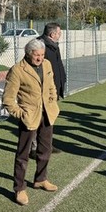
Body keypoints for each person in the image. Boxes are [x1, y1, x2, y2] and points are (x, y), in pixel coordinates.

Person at [2, 38, 60, 206]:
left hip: (48, 114)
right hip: (29, 117)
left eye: (42, 55)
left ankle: (41, 179)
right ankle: (19, 188)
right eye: (36, 55)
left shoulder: (47, 64)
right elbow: (8, 99)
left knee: (46, 149)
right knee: (23, 154)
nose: (40, 58)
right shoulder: (17, 70)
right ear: (28, 54)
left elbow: (51, 86)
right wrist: (21, 114)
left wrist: (53, 100)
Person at [30, 22, 66, 157]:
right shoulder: (39, 45)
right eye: (59, 33)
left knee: (48, 119)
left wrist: (62, 81)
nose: (60, 35)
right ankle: (34, 148)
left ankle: (46, 145)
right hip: (41, 90)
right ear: (52, 34)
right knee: (37, 120)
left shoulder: (53, 45)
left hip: (52, 88)